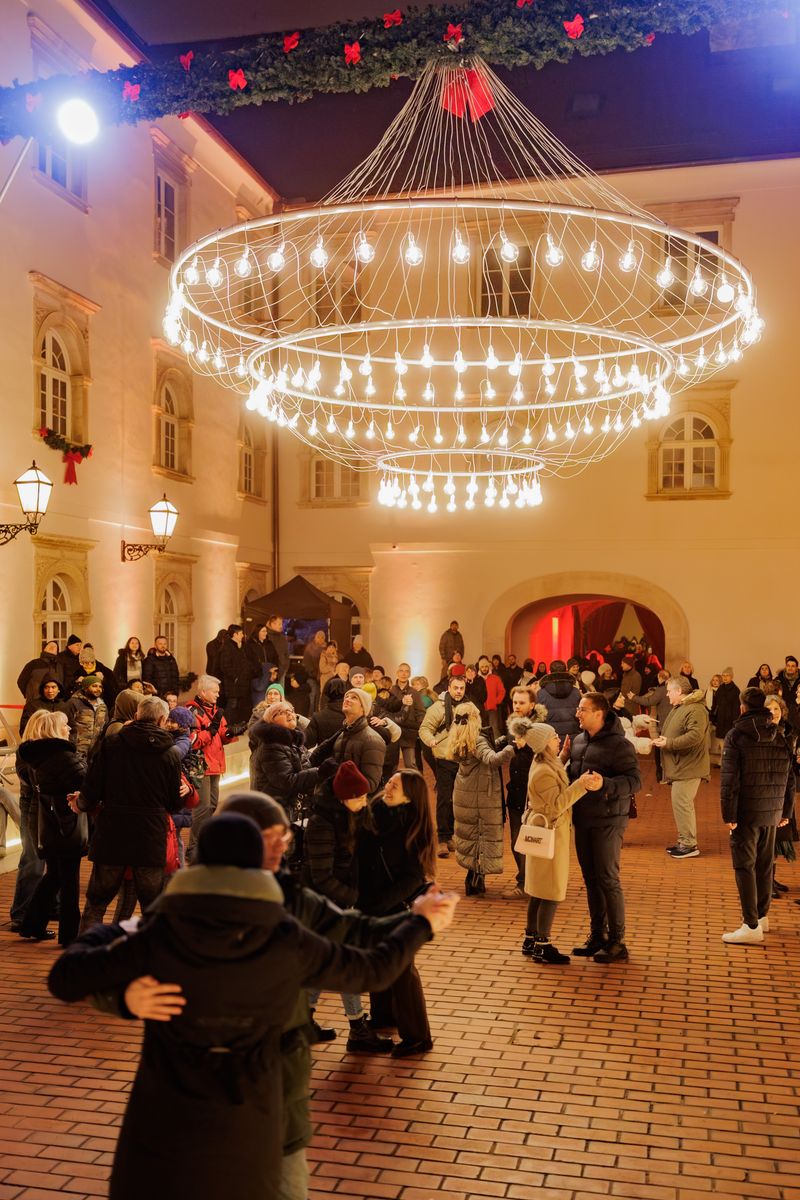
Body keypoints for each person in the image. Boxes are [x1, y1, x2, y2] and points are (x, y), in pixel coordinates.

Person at [47, 810, 456, 1200]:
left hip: (165, 1132)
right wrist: (420, 923)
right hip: (249, 1134)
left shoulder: (162, 933)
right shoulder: (284, 940)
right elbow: (372, 969)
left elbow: (66, 977)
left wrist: (113, 942)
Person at [305, 761, 394, 1053]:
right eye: (360, 797)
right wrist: (351, 899)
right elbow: (321, 876)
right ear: (344, 797)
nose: (365, 802)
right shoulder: (322, 823)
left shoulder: (351, 815)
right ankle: (357, 1030)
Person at [75, 696, 183, 931]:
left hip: (113, 829)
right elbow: (174, 803)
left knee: (97, 902)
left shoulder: (112, 744)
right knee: (152, 905)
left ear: (136, 716)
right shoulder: (170, 753)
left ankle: (85, 947)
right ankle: (151, 949)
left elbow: (93, 786)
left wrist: (81, 804)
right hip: (150, 833)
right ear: (162, 720)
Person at [358, 769, 437, 1056]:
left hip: (396, 905)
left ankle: (418, 1036)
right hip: (371, 902)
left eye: (396, 787)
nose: (388, 788)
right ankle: (383, 1016)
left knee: (402, 970)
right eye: (389, 783)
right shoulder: (374, 811)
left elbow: (413, 877)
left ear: (409, 797)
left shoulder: (413, 827)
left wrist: (382, 901)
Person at [567, 691, 641, 963]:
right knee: (591, 879)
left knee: (608, 879)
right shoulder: (578, 741)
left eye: (582, 709)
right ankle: (598, 934)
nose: (577, 713)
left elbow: (635, 781)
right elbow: (573, 776)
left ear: (599, 714)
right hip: (583, 818)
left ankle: (617, 942)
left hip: (609, 819)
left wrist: (605, 784)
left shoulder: (620, 745)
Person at [519, 723, 602, 963]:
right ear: (544, 743)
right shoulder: (542, 771)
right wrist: (581, 785)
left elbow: (554, 774)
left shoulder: (543, 763)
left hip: (543, 833)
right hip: (550, 835)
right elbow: (555, 805)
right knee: (552, 891)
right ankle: (542, 945)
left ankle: (530, 938)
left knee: (538, 890)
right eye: (554, 737)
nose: (558, 739)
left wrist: (563, 755)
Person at [720, 687, 795, 945]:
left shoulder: (736, 736)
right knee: (764, 866)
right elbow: (789, 778)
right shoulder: (778, 734)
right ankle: (762, 917)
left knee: (745, 866)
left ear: (742, 707)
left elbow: (730, 781)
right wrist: (785, 811)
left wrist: (728, 815)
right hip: (771, 812)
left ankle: (750, 924)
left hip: (746, 813)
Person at [15, 709, 87, 945]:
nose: (69, 728)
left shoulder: (35, 756)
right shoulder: (62, 757)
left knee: (54, 875)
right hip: (66, 822)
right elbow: (85, 781)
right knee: (68, 880)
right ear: (55, 729)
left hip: (48, 821)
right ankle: (69, 935)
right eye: (65, 725)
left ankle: (32, 924)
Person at [447, 701, 514, 895]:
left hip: (464, 795)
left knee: (470, 836)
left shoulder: (462, 737)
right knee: (481, 837)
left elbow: (483, 752)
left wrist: (500, 741)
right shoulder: (477, 740)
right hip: (480, 797)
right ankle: (476, 880)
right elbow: (492, 759)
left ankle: (472, 877)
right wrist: (513, 747)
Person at [652, 677, 710, 859]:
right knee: (681, 805)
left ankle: (689, 845)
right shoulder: (683, 706)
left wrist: (669, 743)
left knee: (683, 805)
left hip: (689, 767)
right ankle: (684, 841)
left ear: (679, 691)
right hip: (682, 766)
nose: (667, 695)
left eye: (669, 691)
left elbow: (695, 736)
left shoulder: (696, 709)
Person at [186, 675, 237, 861]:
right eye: (215, 692)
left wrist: (231, 733)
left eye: (218, 692)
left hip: (215, 763)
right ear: (203, 692)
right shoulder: (192, 711)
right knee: (203, 807)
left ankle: (204, 843)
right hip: (201, 765)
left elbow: (221, 735)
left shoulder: (215, 710)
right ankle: (193, 848)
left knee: (213, 805)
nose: (218, 695)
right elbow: (192, 741)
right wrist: (211, 731)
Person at [419, 674, 466, 857]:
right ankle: (442, 839)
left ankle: (451, 834)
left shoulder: (468, 707)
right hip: (444, 757)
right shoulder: (438, 707)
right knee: (445, 798)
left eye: (462, 688)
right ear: (449, 688)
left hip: (463, 759)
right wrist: (430, 740)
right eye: (456, 688)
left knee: (458, 799)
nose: (459, 691)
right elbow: (424, 729)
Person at [503, 686, 543, 896]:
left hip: (533, 794)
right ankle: (525, 881)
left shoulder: (539, 728)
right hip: (516, 793)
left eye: (521, 703)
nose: (517, 706)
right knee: (516, 841)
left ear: (532, 705)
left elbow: (545, 756)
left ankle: (529, 884)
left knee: (532, 841)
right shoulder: (513, 726)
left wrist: (525, 747)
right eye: (515, 702)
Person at [310, 687, 386, 795]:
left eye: (354, 698)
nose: (347, 699)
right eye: (346, 697)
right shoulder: (342, 735)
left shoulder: (372, 740)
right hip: (339, 799)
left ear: (363, 708)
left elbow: (371, 784)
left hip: (356, 802)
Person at [249, 700, 318, 817]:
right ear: (271, 720)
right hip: (278, 811)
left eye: (290, 711)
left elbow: (308, 761)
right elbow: (287, 781)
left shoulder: (292, 739)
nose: (289, 714)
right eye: (282, 712)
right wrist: (319, 772)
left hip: (290, 806)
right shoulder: (271, 746)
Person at [537, 660, 581, 744]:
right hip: (573, 739)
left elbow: (538, 719)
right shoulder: (576, 692)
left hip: (550, 739)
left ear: (549, 672)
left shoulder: (540, 694)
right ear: (566, 671)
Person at [219, 625, 255, 728]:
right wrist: (235, 677)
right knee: (232, 705)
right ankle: (225, 726)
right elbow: (225, 666)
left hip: (242, 682)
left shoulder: (241, 646)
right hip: (233, 683)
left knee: (239, 705)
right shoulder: (227, 647)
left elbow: (245, 663)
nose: (243, 635)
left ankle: (235, 725)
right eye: (241, 633)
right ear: (235, 634)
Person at [391, 662, 426, 769]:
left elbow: (420, 712)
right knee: (392, 764)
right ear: (397, 673)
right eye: (401, 671)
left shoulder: (414, 692)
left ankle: (416, 780)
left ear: (409, 674)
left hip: (409, 732)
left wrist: (419, 727)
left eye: (407, 671)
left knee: (410, 764)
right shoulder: (391, 690)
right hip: (392, 731)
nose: (404, 674)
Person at [64, 675, 108, 757]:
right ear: (85, 688)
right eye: (94, 686)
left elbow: (105, 726)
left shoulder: (102, 705)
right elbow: (66, 725)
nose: (98, 689)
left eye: (100, 687)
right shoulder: (73, 703)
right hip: (77, 750)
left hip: (95, 751)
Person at [305, 677, 347, 748]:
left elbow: (308, 742)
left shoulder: (318, 717)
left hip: (324, 753)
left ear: (327, 692)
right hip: (349, 754)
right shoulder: (353, 715)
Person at [476, 655, 506, 741]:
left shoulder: (495, 678)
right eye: (482, 667)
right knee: (481, 729)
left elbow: (502, 691)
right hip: (479, 709)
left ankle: (497, 746)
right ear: (479, 668)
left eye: (486, 666)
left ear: (489, 667)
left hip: (492, 709)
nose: (484, 668)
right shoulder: (476, 679)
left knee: (494, 729)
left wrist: (496, 701)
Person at [246, 624, 273, 709]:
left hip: (270, 676)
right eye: (263, 631)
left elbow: (275, 657)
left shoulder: (269, 643)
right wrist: (258, 670)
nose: (266, 633)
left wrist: (274, 669)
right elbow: (249, 661)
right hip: (257, 677)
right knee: (259, 701)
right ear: (257, 632)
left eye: (266, 631)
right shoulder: (250, 644)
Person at [710, 668, 740, 742]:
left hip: (730, 721)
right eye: (723, 675)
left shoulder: (735, 690)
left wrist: (735, 722)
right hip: (720, 719)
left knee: (728, 741)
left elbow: (736, 709)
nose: (725, 677)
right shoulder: (720, 688)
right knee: (720, 740)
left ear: (731, 677)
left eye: (727, 675)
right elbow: (715, 704)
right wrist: (712, 717)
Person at [302, 629, 327, 712]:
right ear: (315, 637)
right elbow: (306, 663)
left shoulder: (325, 649)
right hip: (312, 676)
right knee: (312, 696)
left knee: (320, 697)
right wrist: (313, 673)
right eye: (318, 637)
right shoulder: (310, 648)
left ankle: (318, 713)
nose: (320, 639)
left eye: (322, 637)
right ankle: (310, 714)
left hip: (322, 676)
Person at [265, 615, 290, 684]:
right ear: (272, 624)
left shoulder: (282, 638)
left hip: (281, 672)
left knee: (279, 690)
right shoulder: (265, 636)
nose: (281, 626)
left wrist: (285, 668)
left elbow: (286, 654)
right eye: (279, 624)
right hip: (267, 672)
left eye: (281, 624)